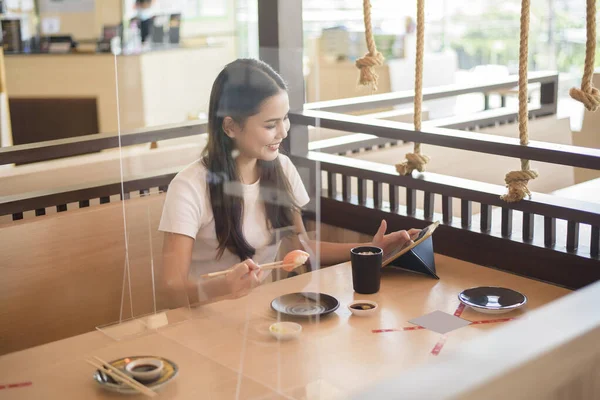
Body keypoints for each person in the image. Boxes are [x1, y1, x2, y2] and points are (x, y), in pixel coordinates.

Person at [159, 58, 415, 305]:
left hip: (260, 311)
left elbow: (300, 247)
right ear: (230, 127)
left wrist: (370, 248)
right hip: (201, 321)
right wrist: (223, 287)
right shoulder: (189, 187)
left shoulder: (281, 167)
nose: (283, 132)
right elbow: (171, 290)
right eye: (271, 124)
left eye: (285, 119)